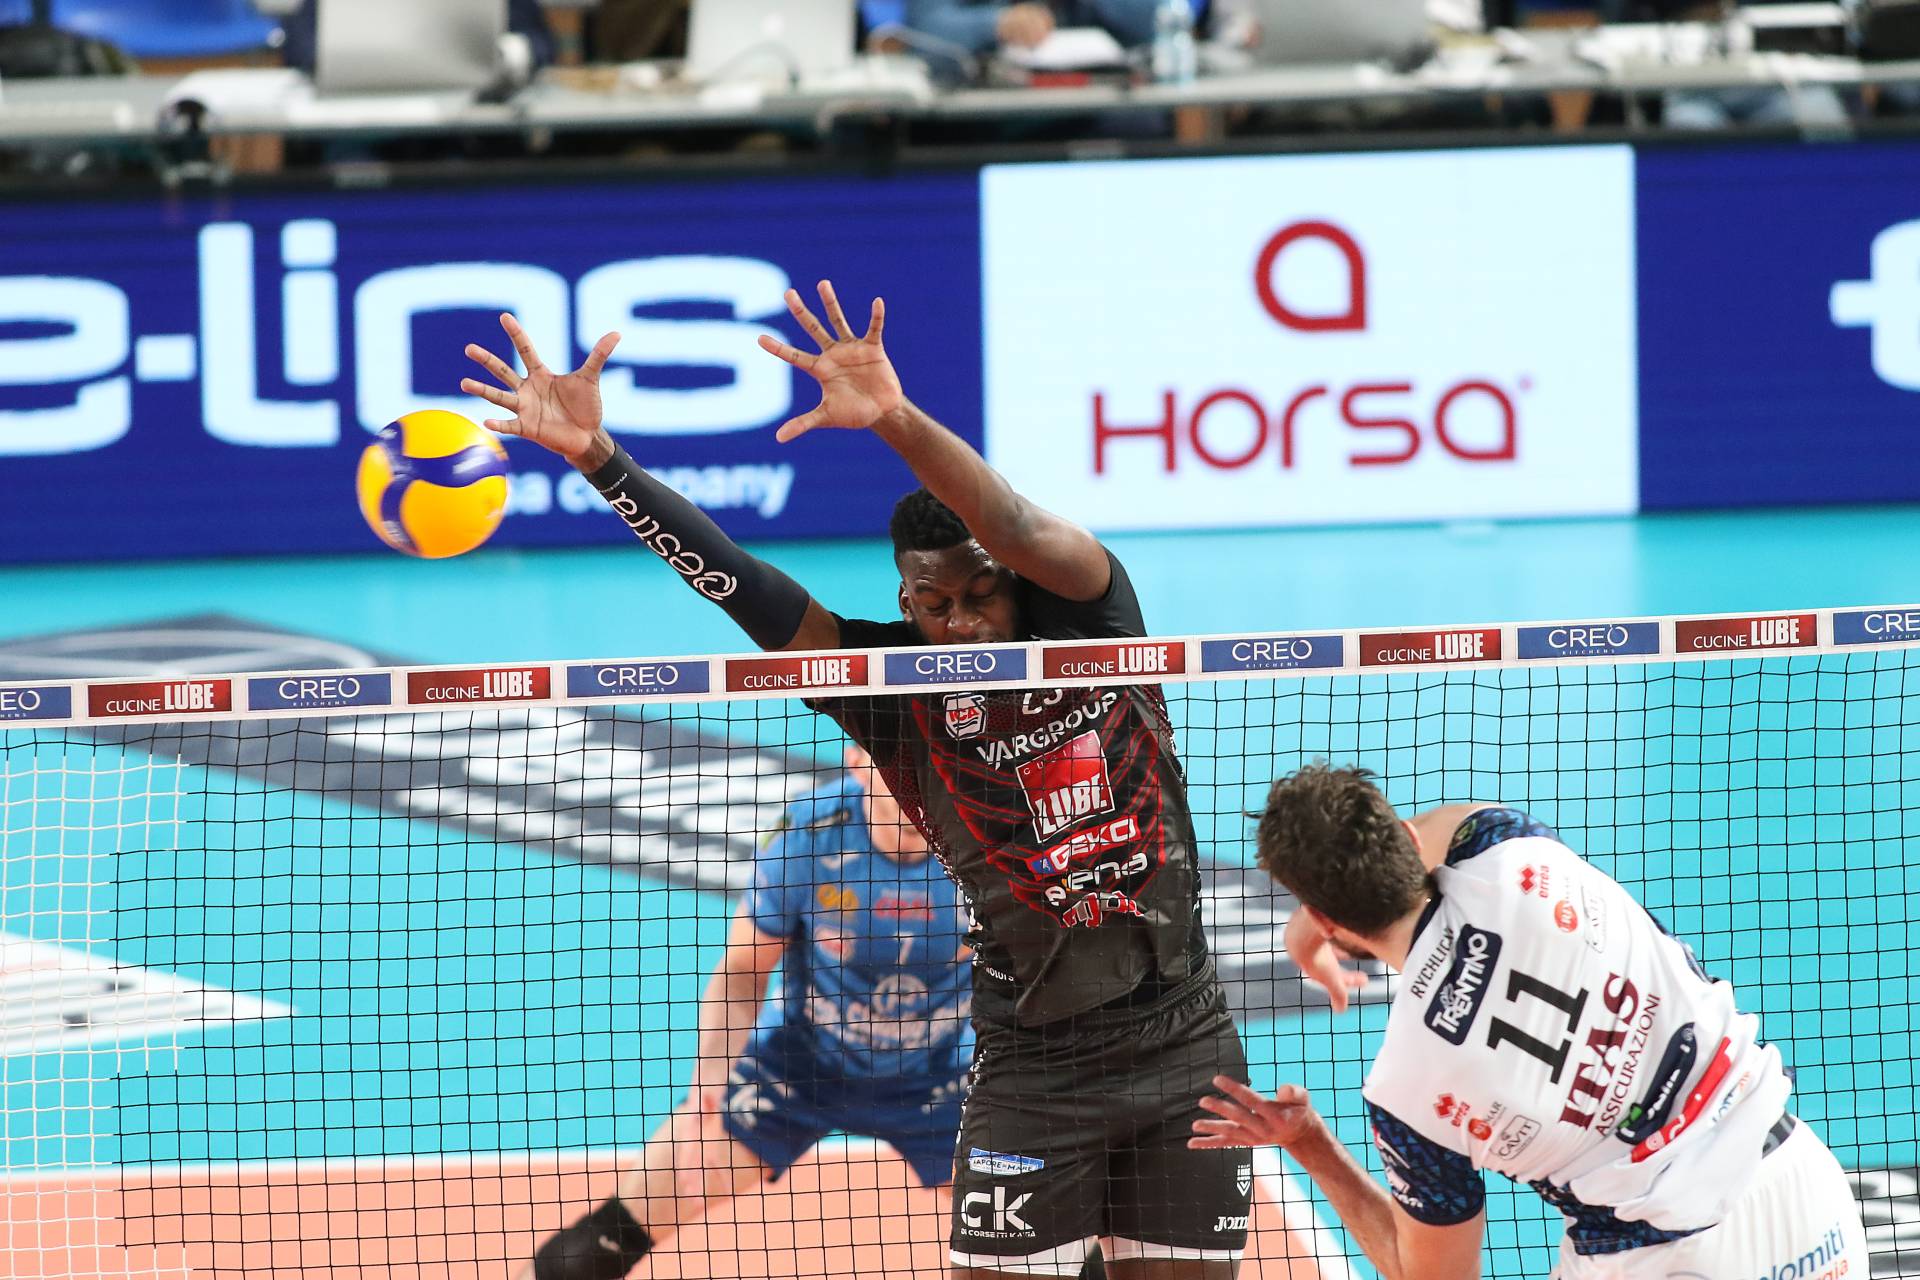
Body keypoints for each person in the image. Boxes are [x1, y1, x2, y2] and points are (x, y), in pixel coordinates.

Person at [461, 279, 1250, 1279]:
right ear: (905, 602)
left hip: (1185, 1039)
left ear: (1014, 580)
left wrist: (894, 419)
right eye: (934, 603)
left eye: (981, 594)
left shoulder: (1094, 619)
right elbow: (745, 587)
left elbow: (1010, 518)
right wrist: (601, 462)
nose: (961, 621)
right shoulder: (891, 687)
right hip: (1033, 1065)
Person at [1189, 763, 1870, 1280]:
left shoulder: (1408, 1091)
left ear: (1330, 918)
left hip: (1657, 1258)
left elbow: (1430, 1276)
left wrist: (1309, 1142)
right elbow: (1437, 831)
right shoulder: (1512, 850)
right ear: (1403, 837)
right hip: (1804, 1192)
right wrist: (1309, 929)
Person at [524, 746, 973, 1278]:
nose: (914, 785)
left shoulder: (984, 841)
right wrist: (706, 1097)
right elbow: (742, 973)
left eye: (928, 767)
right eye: (897, 766)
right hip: (798, 1067)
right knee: (608, 1240)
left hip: (946, 1076)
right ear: (857, 761)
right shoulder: (809, 834)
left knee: (1040, 1243)